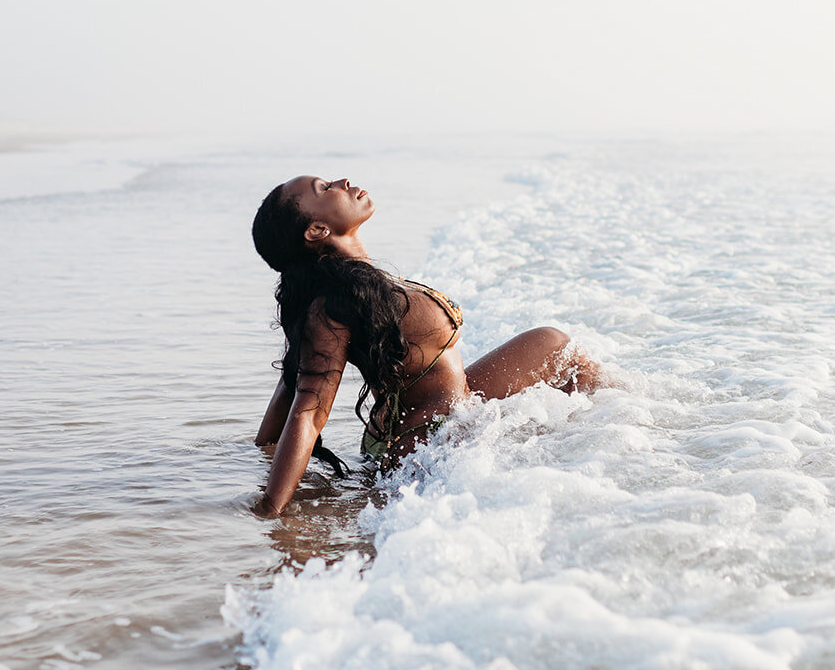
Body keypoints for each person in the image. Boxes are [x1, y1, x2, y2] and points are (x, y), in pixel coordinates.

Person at [250, 175, 605, 517]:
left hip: (447, 412)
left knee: (554, 345)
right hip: (425, 441)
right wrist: (271, 509)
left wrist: (259, 451)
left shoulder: (357, 284)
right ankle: (612, 443)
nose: (342, 182)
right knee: (559, 354)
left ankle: (615, 432)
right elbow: (308, 409)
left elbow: (290, 380)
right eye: (324, 188)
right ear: (317, 231)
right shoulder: (329, 307)